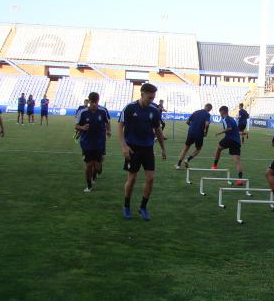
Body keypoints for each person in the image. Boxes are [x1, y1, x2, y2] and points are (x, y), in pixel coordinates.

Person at [118, 83, 167, 220]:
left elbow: (158, 130)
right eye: (149, 97)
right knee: (132, 178)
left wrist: (163, 148)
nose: (151, 100)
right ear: (142, 94)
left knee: (150, 179)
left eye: (153, 98)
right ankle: (127, 206)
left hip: (148, 148)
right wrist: (123, 146)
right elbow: (120, 126)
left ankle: (143, 207)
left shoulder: (154, 110)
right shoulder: (130, 108)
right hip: (132, 148)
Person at [75, 92, 110, 192]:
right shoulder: (82, 112)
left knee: (98, 168)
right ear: (89, 101)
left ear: (98, 101)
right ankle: (89, 185)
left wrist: (108, 131)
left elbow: (107, 122)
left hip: (99, 143)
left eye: (96, 102)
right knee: (88, 164)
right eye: (92, 102)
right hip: (87, 143)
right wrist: (82, 127)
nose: (94, 104)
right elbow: (76, 126)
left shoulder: (102, 111)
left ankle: (96, 172)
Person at [211, 105, 244, 186]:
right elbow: (235, 130)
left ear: (223, 111)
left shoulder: (226, 119)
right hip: (237, 141)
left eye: (220, 112)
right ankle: (240, 180)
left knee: (219, 148)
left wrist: (219, 133)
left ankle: (215, 165)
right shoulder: (232, 119)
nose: (220, 114)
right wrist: (241, 133)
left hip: (230, 139)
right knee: (237, 160)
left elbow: (229, 128)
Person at [175, 103, 212, 169]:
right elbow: (206, 124)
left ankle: (178, 165)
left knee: (186, 148)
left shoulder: (196, 112)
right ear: (209, 109)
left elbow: (187, 122)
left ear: (205, 106)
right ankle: (187, 160)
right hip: (199, 134)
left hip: (191, 132)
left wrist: (192, 126)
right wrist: (205, 132)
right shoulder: (207, 114)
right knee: (198, 149)